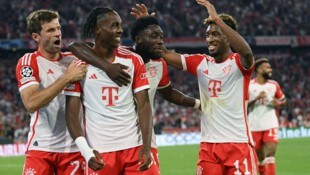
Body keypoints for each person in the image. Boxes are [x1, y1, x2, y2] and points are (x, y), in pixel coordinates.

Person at [132, 0, 258, 174]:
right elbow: (165, 53)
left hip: (238, 143)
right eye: (208, 35)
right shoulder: (201, 63)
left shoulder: (239, 63)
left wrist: (217, 19)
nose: (210, 39)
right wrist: (147, 25)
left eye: (215, 34)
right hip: (209, 146)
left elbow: (247, 52)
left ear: (228, 37)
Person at [68, 15, 201, 173]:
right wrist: (106, 67)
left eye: (161, 37)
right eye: (154, 36)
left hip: (144, 142)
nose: (160, 41)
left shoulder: (159, 66)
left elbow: (169, 93)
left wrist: (198, 103)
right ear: (138, 39)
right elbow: (77, 46)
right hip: (108, 143)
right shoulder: (124, 57)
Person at [64, 7, 157, 175]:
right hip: (100, 151)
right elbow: (71, 116)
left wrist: (146, 145)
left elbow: (144, 105)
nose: (120, 30)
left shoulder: (133, 60)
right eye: (114, 25)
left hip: (134, 147)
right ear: (97, 30)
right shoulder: (79, 67)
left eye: (120, 25)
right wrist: (86, 151)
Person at [15, 9, 87, 175]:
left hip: (73, 149)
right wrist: (66, 78)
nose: (57, 34)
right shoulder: (29, 62)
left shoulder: (74, 60)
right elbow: (31, 103)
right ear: (36, 37)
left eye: (58, 28)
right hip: (41, 148)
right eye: (50, 30)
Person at [248, 58, 286, 175]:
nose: (270, 69)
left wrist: (278, 103)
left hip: (270, 123)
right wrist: (256, 98)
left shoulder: (274, 85)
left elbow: (283, 100)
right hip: (254, 125)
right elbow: (243, 105)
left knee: (270, 154)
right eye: (267, 67)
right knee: (260, 158)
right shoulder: (249, 85)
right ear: (259, 69)